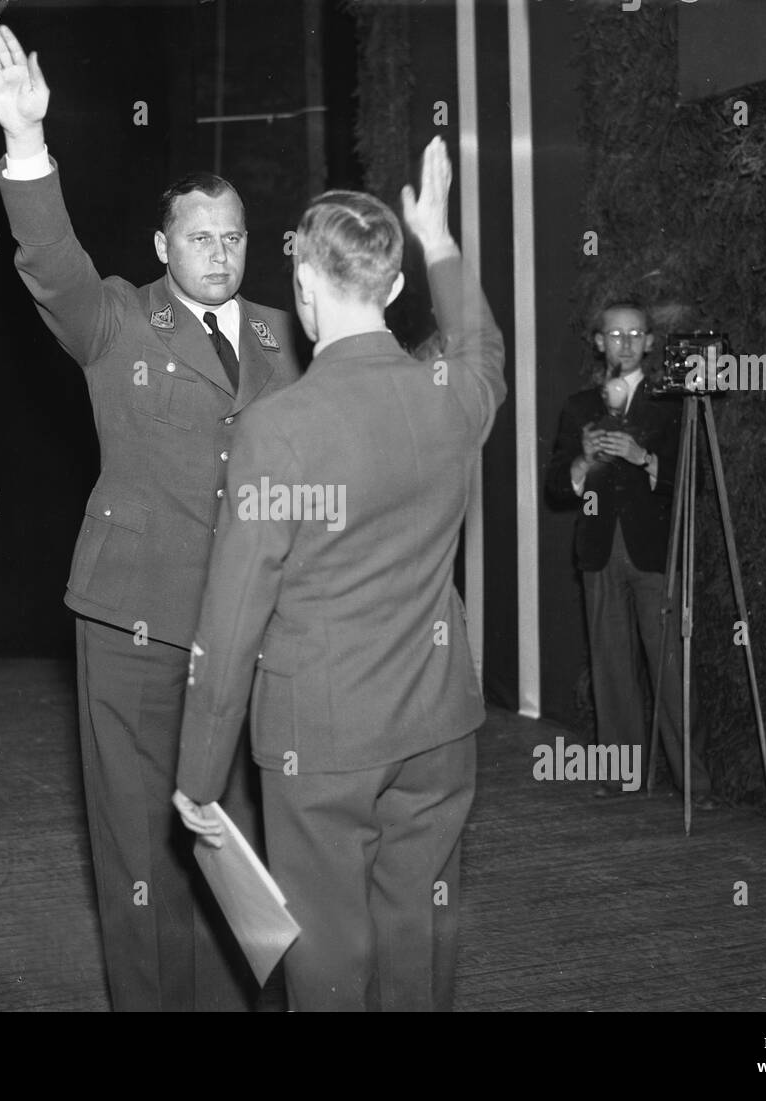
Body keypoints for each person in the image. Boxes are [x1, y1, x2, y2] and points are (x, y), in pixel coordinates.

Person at [0, 21, 301, 1010]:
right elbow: (49, 261)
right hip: (133, 622)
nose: (219, 252)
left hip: (250, 630)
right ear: (164, 246)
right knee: (136, 844)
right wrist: (27, 144)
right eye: (199, 236)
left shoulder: (290, 338)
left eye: (234, 235)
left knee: (234, 841)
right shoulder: (115, 317)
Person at [172, 137, 506, 1011]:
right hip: (438, 728)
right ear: (394, 289)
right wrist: (437, 235)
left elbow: (232, 620)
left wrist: (200, 779)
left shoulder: (278, 428)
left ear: (305, 290)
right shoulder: (451, 396)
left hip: (319, 740)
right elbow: (483, 347)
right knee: (416, 946)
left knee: (326, 969)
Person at [544, 300, 714, 806]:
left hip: (655, 554)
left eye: (634, 334)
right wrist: (582, 461)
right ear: (598, 342)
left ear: (649, 343)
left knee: (672, 670)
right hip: (598, 553)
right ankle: (622, 777)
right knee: (611, 670)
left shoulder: (671, 405)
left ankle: (694, 785)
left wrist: (646, 459)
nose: (624, 344)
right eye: (614, 336)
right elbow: (556, 487)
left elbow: (695, 481)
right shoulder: (579, 407)